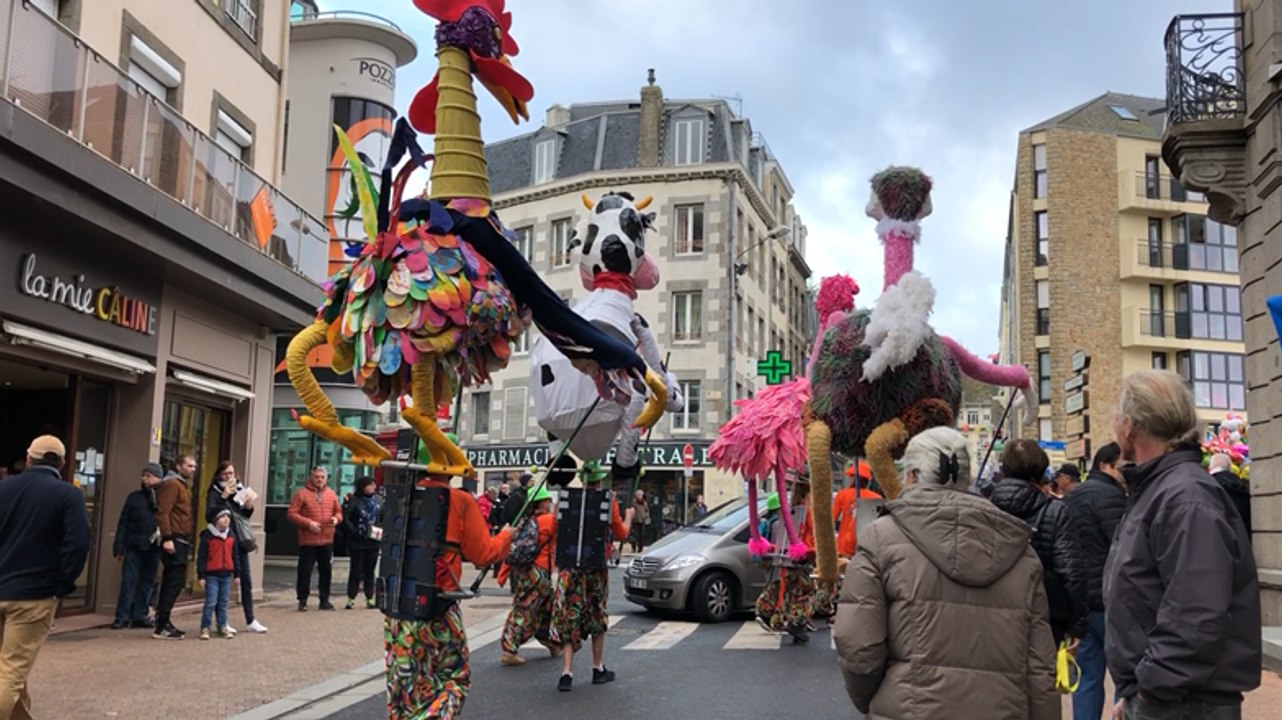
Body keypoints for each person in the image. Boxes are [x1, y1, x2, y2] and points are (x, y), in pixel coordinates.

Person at [833, 427, 1059, 720]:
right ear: (968, 478)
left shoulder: (880, 539)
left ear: (912, 476)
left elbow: (858, 645)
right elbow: (1040, 665)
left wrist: (874, 698)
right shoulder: (1019, 550)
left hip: (910, 707)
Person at [1105, 370, 1260, 720]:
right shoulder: (1163, 490)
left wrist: (1148, 689)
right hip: (1169, 695)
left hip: (1181, 702)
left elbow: (1196, 614)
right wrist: (1134, 692)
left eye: (1117, 414)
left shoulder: (1184, 497)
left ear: (1130, 424)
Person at [384, 469, 512, 718]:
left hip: (397, 607)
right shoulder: (460, 500)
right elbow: (483, 554)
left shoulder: (401, 496)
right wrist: (505, 537)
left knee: (405, 688)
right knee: (454, 678)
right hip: (438, 605)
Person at [0, 436, 91, 720]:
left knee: (9, 669)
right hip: (34, 595)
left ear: (28, 459)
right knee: (11, 671)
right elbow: (78, 544)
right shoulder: (68, 495)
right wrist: (62, 585)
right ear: (62, 463)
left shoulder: (4, 488)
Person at [989, 439, 1088, 646]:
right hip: (1044, 616)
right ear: (1041, 470)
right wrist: (1077, 625)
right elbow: (1071, 572)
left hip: (994, 615)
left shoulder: (986, 508)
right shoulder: (1056, 511)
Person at [553, 467, 633, 692]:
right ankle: (597, 668)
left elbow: (555, 527)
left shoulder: (566, 498)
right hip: (595, 567)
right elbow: (621, 533)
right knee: (597, 614)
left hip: (569, 566)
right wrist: (628, 517)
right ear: (599, 480)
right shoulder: (608, 500)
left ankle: (566, 673)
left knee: (569, 615)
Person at [1063, 442, 1128, 720]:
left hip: (1081, 602)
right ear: (1105, 465)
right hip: (1111, 601)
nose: (1126, 473)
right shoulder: (1113, 497)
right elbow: (1124, 548)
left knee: (1086, 678)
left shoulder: (1071, 498)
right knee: (1124, 678)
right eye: (1122, 467)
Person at [500, 484, 559, 666]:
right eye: (548, 500)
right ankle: (509, 650)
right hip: (539, 571)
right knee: (524, 609)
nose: (550, 503)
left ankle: (551, 641)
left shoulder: (525, 521)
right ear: (542, 502)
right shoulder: (549, 520)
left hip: (525, 571)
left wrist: (503, 573)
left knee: (545, 607)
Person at [205, 461, 266, 634]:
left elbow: (244, 515)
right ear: (219, 475)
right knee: (223, 580)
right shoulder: (214, 491)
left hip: (239, 540)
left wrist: (249, 506)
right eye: (225, 474)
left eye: (231, 473)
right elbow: (209, 515)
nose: (229, 477)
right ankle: (222, 622)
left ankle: (250, 619)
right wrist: (223, 497)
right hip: (222, 541)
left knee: (246, 579)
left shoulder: (240, 489)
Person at [754, 475, 817, 644]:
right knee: (805, 590)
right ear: (808, 494)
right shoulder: (806, 512)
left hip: (786, 552)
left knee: (786, 585)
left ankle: (764, 609)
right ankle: (796, 621)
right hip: (802, 554)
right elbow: (812, 533)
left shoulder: (788, 511)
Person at [111, 464, 163, 629]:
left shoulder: (163, 497)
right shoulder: (134, 497)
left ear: (158, 478)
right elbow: (123, 523)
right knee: (128, 581)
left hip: (154, 546)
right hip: (133, 545)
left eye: (149, 476)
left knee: (147, 582)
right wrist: (119, 546)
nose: (144, 479)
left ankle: (139, 615)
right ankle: (122, 616)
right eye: (143, 475)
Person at [286, 467, 342, 611]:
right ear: (311, 478)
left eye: (322, 477)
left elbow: (339, 512)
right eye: (317, 477)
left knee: (326, 571)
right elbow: (291, 513)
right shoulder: (301, 494)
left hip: (327, 539)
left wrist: (336, 519)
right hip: (308, 540)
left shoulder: (331, 494)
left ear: (326, 479)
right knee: (305, 571)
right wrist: (308, 523)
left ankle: (324, 599)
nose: (319, 480)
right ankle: (302, 599)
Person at [153, 454, 196, 639]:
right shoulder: (172, 484)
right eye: (189, 466)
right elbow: (163, 512)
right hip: (174, 537)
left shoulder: (181, 485)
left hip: (180, 537)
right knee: (174, 581)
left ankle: (163, 621)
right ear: (178, 466)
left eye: (194, 466)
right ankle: (162, 624)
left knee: (174, 580)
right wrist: (167, 537)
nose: (192, 469)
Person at [196, 509, 240, 640]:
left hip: (226, 574)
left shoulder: (231, 535)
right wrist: (201, 576)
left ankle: (222, 626)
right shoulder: (208, 536)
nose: (226, 519)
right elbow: (202, 557)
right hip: (212, 575)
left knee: (223, 602)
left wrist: (237, 574)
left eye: (228, 517)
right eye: (222, 517)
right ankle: (205, 627)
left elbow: (235, 555)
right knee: (211, 602)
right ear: (215, 520)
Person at [342, 476, 381, 610]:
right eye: (370, 485)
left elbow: (383, 517)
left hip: (373, 541)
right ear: (362, 487)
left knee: (370, 571)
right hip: (357, 542)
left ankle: (370, 598)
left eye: (374, 485)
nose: (373, 487)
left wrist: (380, 530)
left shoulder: (378, 500)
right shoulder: (354, 500)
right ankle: (351, 598)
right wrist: (354, 531)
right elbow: (346, 518)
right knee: (356, 571)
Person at [832, 461, 882, 559]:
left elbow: (831, 519)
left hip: (844, 546)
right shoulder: (877, 498)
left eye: (851, 476)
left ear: (854, 478)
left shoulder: (842, 494)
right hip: (867, 546)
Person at [1209, 452, 1252, 535]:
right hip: (1244, 534)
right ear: (1229, 466)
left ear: (1210, 467)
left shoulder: (1208, 484)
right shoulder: (1244, 485)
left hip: (1220, 535)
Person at [628, 489, 650, 554]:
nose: (639, 496)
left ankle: (640, 548)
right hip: (635, 520)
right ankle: (634, 547)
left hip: (642, 520)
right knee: (635, 535)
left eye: (640, 495)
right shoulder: (634, 503)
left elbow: (647, 510)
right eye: (638, 495)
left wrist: (646, 516)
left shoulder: (644, 503)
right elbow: (631, 510)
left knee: (641, 535)